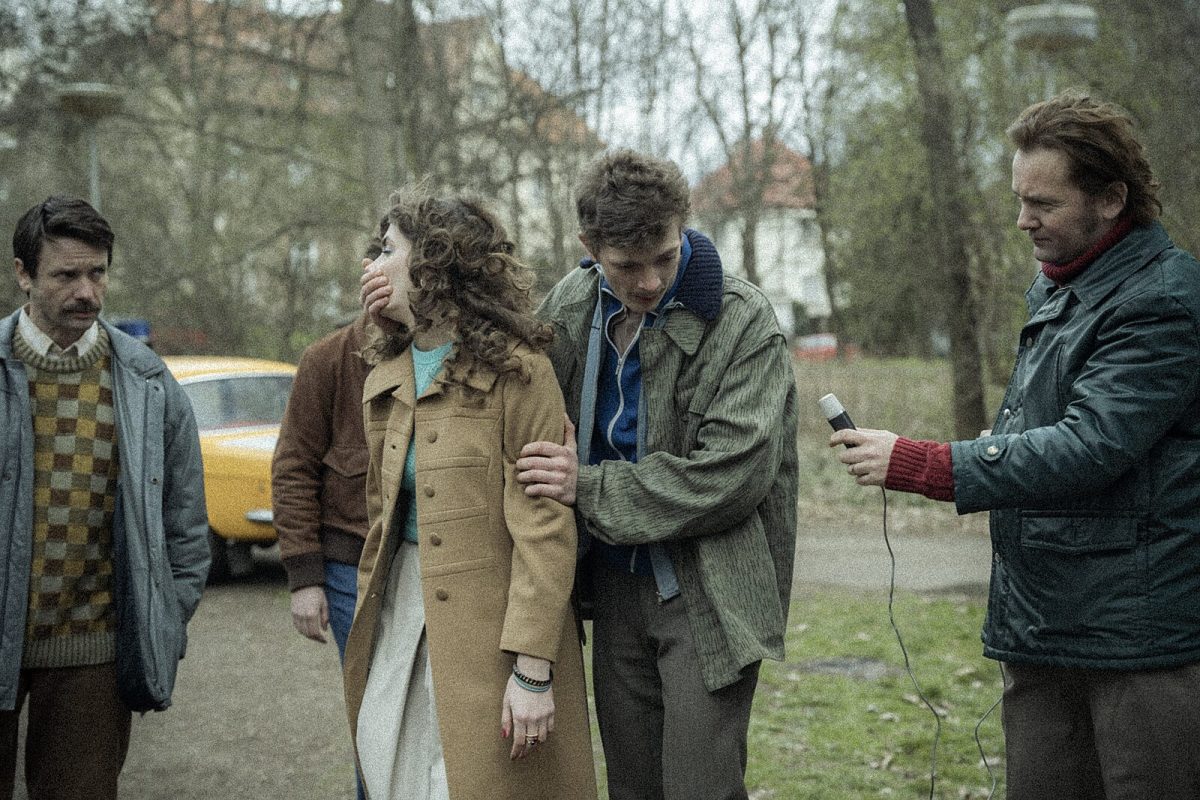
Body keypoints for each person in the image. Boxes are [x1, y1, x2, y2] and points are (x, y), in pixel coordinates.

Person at [830, 91, 1200, 799]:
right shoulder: (1062, 287)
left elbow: (1091, 445)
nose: (1022, 220)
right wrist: (1005, 445)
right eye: (1019, 199)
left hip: (1136, 641)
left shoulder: (1162, 299)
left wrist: (924, 462)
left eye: (1043, 203)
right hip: (1048, 625)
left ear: (1111, 199)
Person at [516, 149, 800, 800]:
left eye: (665, 258)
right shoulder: (570, 306)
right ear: (590, 248)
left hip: (709, 589)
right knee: (632, 786)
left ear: (683, 227)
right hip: (613, 585)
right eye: (626, 265)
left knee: (701, 786)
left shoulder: (742, 320)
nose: (648, 282)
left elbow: (731, 477)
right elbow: (515, 398)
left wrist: (587, 487)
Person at [344, 191, 597, 800]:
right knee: (398, 774)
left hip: (498, 628)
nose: (372, 266)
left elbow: (544, 528)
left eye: (388, 251)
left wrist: (533, 670)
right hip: (402, 612)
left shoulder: (520, 371)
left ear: (433, 263)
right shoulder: (387, 371)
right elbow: (380, 519)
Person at [0, 195, 210, 799]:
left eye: (98, 273)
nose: (86, 292)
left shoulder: (147, 381)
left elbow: (185, 525)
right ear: (23, 274)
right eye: (66, 275)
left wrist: (163, 617)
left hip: (92, 648)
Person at [271, 227, 382, 800]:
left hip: (425, 561)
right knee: (374, 714)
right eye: (377, 262)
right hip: (348, 570)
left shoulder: (439, 352)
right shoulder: (326, 360)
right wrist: (305, 578)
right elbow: (293, 468)